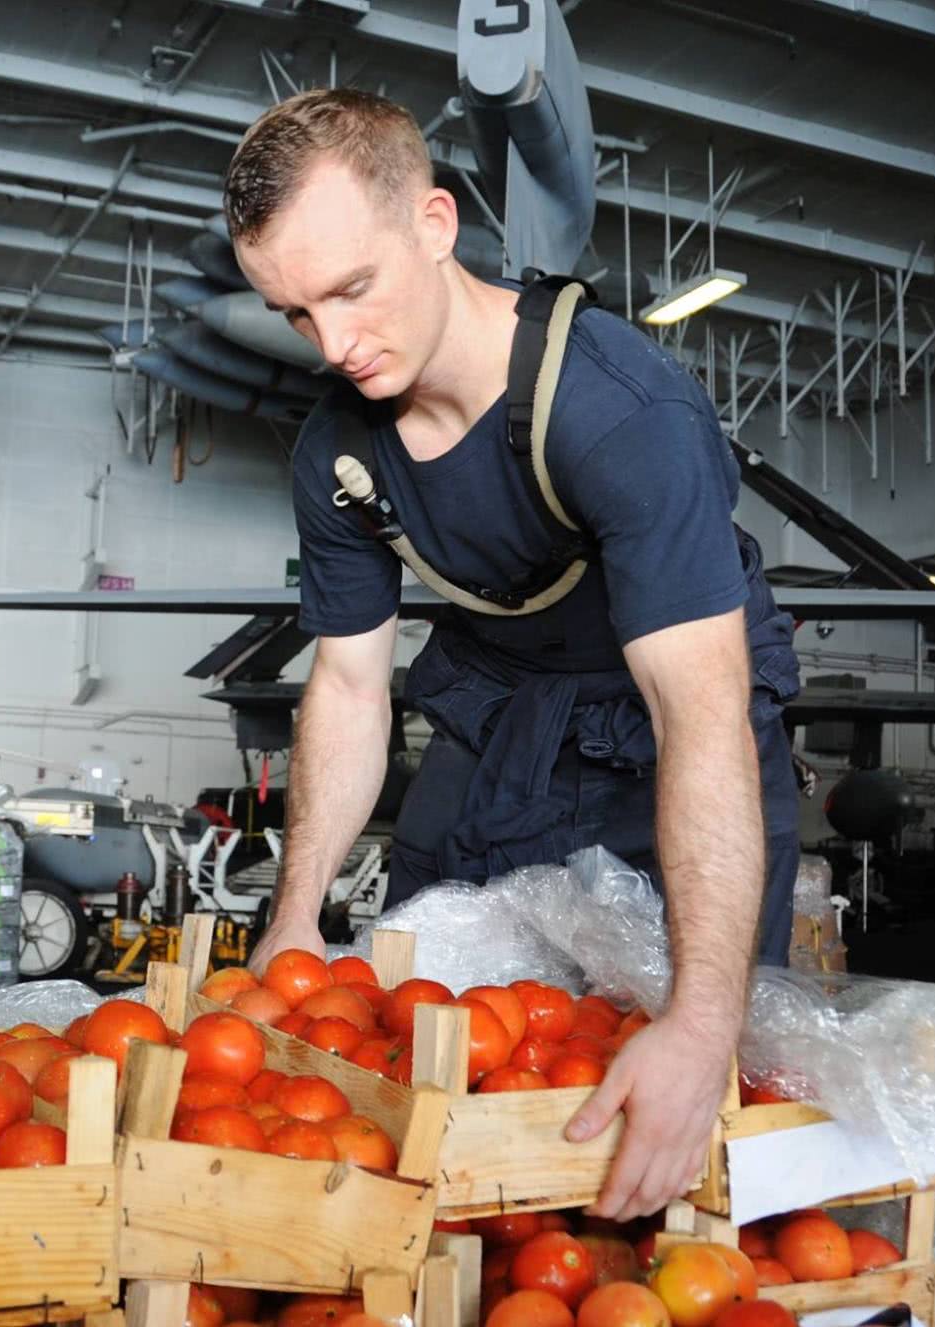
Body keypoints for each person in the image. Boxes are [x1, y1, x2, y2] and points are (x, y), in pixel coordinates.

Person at [226, 89, 802, 1221]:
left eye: (351, 289)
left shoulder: (618, 412)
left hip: (667, 736)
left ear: (435, 224)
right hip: (497, 722)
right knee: (416, 1068)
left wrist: (699, 1021)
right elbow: (346, 684)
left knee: (666, 1107)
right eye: (294, 313)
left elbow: (699, 715)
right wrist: (294, 913)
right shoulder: (335, 453)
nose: (334, 346)